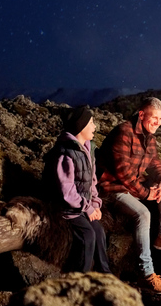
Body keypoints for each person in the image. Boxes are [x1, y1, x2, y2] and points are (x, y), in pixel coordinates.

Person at [97, 97, 161, 293]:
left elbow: (156, 165)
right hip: (113, 188)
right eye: (154, 118)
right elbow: (122, 173)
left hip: (133, 186)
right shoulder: (124, 132)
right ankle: (147, 274)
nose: (158, 122)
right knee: (143, 214)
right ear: (141, 115)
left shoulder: (149, 137)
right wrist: (147, 193)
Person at [44, 106, 111, 274]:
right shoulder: (65, 153)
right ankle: (80, 278)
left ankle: (105, 274)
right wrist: (87, 208)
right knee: (88, 235)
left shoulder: (88, 148)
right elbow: (66, 191)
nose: (95, 127)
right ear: (80, 127)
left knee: (99, 232)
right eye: (91, 123)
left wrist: (95, 204)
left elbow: (91, 181)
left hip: (82, 206)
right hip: (67, 209)